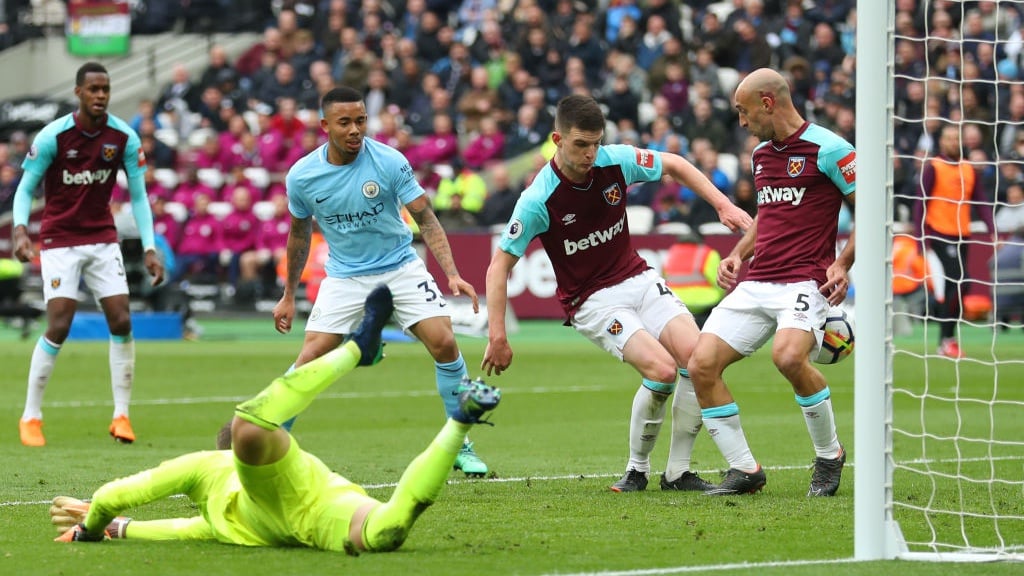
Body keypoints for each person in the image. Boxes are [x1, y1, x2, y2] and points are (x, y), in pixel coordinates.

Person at [49, 286, 503, 553]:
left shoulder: (212, 469)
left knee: (250, 425)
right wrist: (113, 526)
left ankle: (359, 354)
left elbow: (119, 495)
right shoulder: (215, 515)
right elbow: (159, 521)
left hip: (306, 514)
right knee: (384, 533)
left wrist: (93, 529)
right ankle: (458, 421)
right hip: (321, 511)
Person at [482, 94, 753, 492]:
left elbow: (674, 164)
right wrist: (497, 334)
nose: (591, 153)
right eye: (580, 144)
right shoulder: (539, 199)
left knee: (700, 362)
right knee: (662, 372)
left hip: (637, 278)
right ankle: (636, 469)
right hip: (592, 300)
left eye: (596, 143)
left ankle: (678, 472)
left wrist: (722, 205)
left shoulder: (615, 159)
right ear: (557, 139)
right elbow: (498, 266)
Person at [257, 86, 491, 477]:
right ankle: (269, 436)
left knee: (445, 341)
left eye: (361, 120)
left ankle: (458, 444)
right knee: (310, 358)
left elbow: (427, 218)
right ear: (325, 125)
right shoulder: (302, 176)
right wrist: (287, 296)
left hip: (400, 266)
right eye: (344, 122)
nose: (354, 129)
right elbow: (299, 235)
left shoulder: (389, 161)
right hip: (345, 275)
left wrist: (451, 273)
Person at [686, 68, 855, 497]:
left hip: (805, 280)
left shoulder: (830, 149)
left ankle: (829, 454)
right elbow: (768, 217)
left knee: (788, 358)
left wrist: (843, 263)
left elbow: (876, 209)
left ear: (767, 102)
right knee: (700, 365)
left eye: (743, 112)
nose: (741, 123)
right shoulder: (761, 154)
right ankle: (744, 470)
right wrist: (737, 254)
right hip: (758, 281)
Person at [11, 62, 165, 447]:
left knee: (121, 318)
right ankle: (31, 416)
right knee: (59, 324)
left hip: (101, 239)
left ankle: (122, 415)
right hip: (60, 239)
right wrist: (18, 230)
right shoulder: (53, 137)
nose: (100, 95)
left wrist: (149, 246)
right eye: (93, 89)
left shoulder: (123, 137)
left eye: (105, 89)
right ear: (79, 92)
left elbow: (140, 197)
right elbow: (26, 186)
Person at [914, 124, 996, 359]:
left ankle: (947, 340)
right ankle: (946, 340)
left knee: (957, 286)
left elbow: (980, 201)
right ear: (941, 142)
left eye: (955, 138)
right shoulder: (934, 168)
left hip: (962, 234)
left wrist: (992, 229)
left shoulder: (968, 169)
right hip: (938, 234)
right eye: (947, 138)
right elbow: (921, 201)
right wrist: (920, 238)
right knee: (958, 282)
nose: (951, 142)